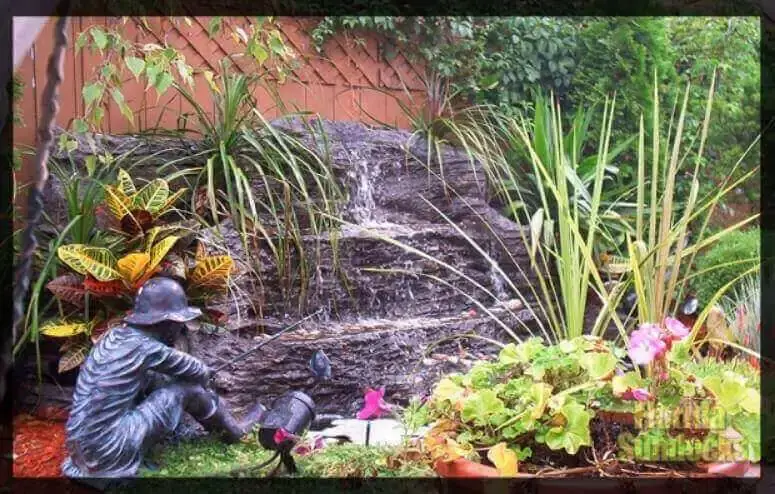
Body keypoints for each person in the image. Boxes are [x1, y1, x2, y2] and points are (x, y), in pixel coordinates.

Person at [61, 276, 266, 478]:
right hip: (110, 448)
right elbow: (197, 370)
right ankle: (236, 433)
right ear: (167, 323)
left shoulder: (113, 338)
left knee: (157, 379)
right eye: (179, 323)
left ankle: (180, 433)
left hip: (80, 448)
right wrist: (206, 374)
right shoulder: (147, 348)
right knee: (188, 389)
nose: (181, 329)